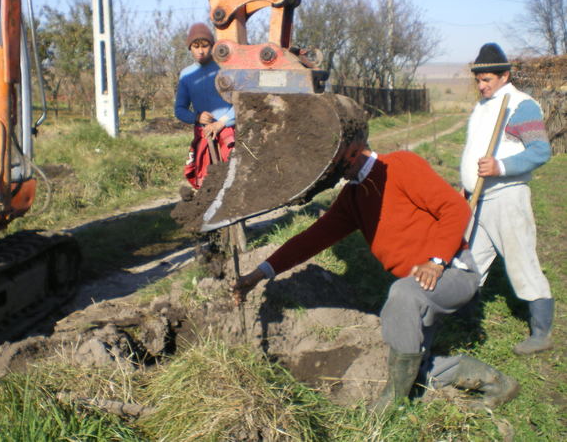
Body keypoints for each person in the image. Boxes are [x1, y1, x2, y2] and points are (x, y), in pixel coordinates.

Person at [232, 146, 519, 414]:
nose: (330, 174)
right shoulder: (353, 198)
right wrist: (259, 274)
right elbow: (311, 239)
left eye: (332, 164)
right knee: (416, 369)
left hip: (452, 272)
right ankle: (496, 382)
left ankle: (391, 405)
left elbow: (455, 208)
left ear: (352, 152)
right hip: (419, 289)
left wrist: (436, 261)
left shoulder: (400, 165)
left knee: (402, 294)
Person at [461, 42, 553, 355]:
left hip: (507, 198)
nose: (481, 85)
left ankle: (542, 333)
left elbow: (541, 151)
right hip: (477, 200)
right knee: (469, 262)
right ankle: (464, 321)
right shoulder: (483, 105)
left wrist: (500, 166)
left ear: (505, 76)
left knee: (522, 262)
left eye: (487, 80)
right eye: (478, 80)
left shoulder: (520, 105)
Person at [174, 22, 236, 190]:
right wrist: (196, 117)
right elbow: (179, 109)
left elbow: (242, 103)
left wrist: (222, 122)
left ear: (213, 46)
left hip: (229, 135)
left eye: (205, 45)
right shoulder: (187, 75)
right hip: (205, 135)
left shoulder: (225, 68)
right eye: (196, 46)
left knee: (234, 178)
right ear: (190, 48)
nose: (200, 51)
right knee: (207, 183)